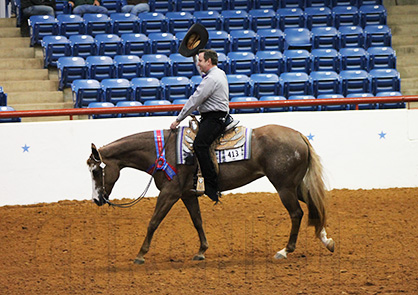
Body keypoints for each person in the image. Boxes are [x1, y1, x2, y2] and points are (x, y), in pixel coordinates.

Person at [170, 49, 229, 203]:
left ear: (209, 62)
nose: (198, 63)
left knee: (200, 145)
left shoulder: (211, 80)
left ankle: (211, 185)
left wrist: (179, 119)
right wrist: (194, 55)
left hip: (213, 119)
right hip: (217, 117)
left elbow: (195, 100)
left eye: (200, 61)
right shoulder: (218, 73)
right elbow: (202, 74)